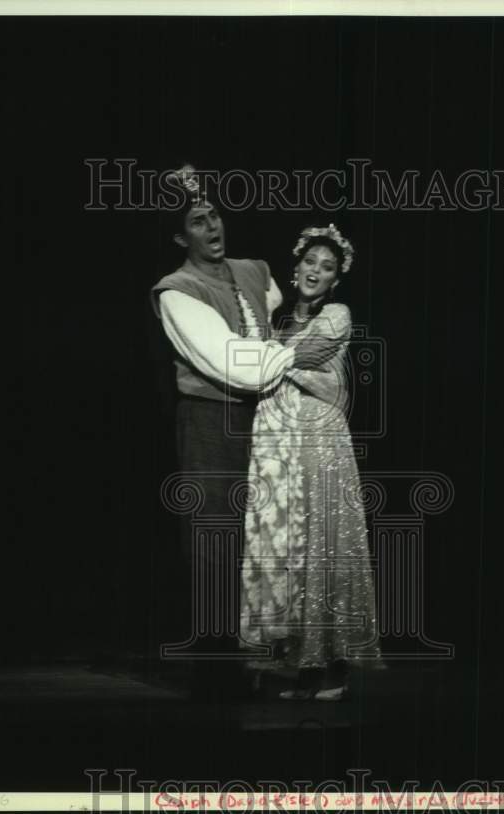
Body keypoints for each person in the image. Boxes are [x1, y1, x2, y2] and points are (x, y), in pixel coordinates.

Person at [150, 167, 340, 700]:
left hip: (264, 418)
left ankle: (260, 657)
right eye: (197, 221)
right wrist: (300, 354)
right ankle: (215, 669)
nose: (212, 226)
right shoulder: (176, 291)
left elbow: (270, 303)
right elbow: (234, 363)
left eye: (213, 214)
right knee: (214, 536)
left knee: (263, 536)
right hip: (210, 419)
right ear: (180, 237)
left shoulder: (254, 270)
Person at [240, 224, 382, 701]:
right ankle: (304, 667)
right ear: (296, 266)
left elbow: (294, 361)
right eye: (310, 262)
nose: (315, 271)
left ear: (336, 279)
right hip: (282, 445)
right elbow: (266, 367)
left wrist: (265, 355)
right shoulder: (278, 322)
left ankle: (335, 669)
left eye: (327, 267)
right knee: (292, 553)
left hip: (320, 441)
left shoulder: (336, 315)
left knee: (326, 545)